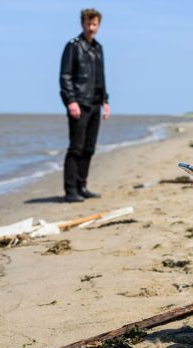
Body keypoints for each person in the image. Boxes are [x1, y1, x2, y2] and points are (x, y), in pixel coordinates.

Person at [59, 8, 111, 203]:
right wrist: (70, 101)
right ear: (82, 24)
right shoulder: (73, 46)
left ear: (98, 25)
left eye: (94, 24)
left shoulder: (98, 48)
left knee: (89, 147)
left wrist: (105, 101)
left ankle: (82, 186)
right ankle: (70, 190)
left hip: (95, 104)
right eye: (88, 24)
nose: (91, 28)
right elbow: (65, 77)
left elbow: (101, 78)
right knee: (76, 147)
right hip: (78, 104)